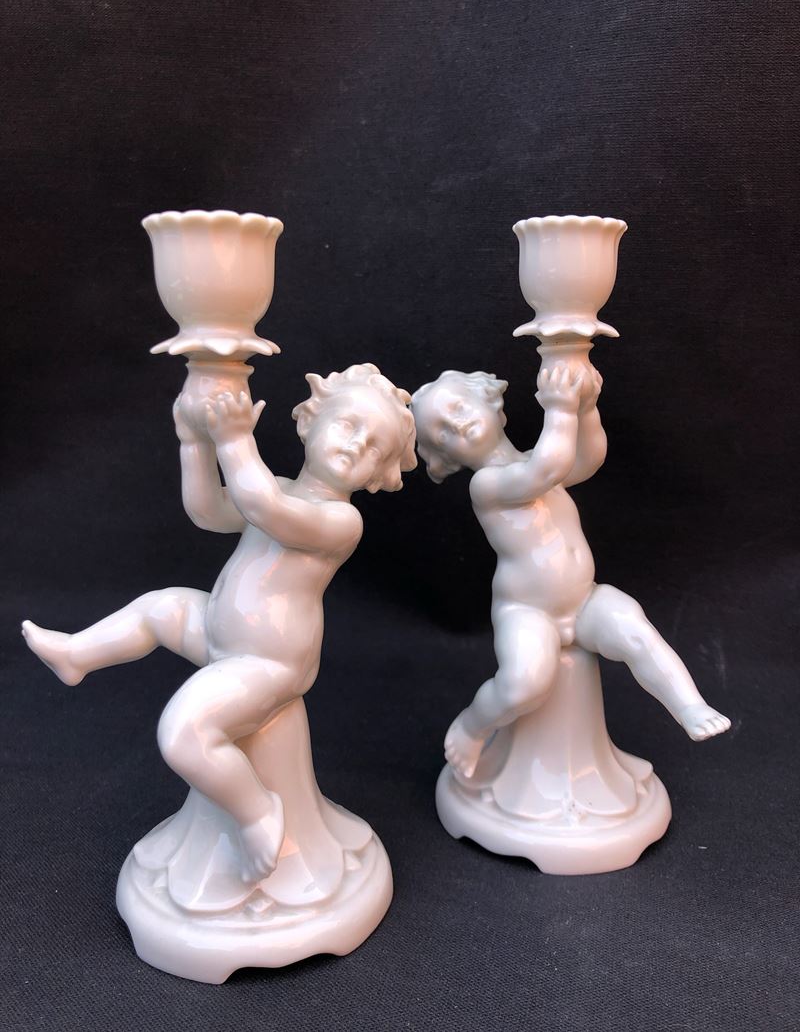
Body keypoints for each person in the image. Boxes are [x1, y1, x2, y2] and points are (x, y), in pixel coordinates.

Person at [23, 363, 416, 883]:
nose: (355, 446)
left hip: (269, 661)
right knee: (159, 607)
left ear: (376, 475)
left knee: (184, 733)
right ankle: (77, 654)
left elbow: (264, 507)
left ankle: (257, 812)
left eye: (374, 448)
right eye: (348, 425)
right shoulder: (278, 485)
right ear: (310, 421)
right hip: (219, 630)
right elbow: (207, 511)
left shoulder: (342, 521)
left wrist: (234, 440)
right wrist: (195, 444)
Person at [411, 364, 730, 780]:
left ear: (489, 401)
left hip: (583, 599)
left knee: (634, 629)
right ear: (447, 457)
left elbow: (586, 458)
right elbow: (549, 468)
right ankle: (473, 726)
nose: (456, 424)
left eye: (458, 407)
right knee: (523, 683)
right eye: (442, 435)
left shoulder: (535, 461)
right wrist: (560, 408)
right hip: (527, 610)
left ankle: (689, 706)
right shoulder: (487, 485)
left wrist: (586, 408)